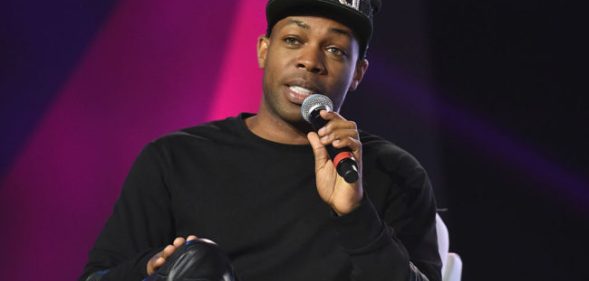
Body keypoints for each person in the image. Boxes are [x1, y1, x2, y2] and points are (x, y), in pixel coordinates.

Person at [80, 0, 442, 280]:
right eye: (293, 40)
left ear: (358, 72)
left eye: (335, 50)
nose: (310, 61)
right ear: (263, 50)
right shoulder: (174, 160)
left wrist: (356, 216)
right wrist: (157, 269)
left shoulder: (394, 174)